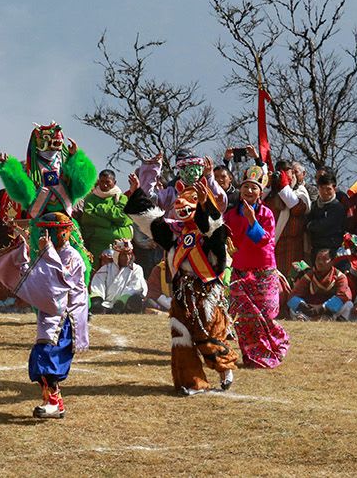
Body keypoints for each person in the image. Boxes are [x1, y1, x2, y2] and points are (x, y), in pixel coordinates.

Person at [125, 176, 236, 394]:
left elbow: (215, 237)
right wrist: (137, 193)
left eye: (192, 201)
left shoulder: (213, 232)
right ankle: (191, 382)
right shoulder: (175, 232)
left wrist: (206, 207)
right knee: (181, 337)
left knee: (208, 334)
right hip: (182, 292)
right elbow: (152, 222)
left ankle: (224, 369)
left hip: (206, 292)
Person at [13, 213, 90, 418]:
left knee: (46, 357)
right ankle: (54, 402)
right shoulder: (48, 253)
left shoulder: (72, 256)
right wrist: (23, 253)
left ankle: (54, 403)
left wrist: (46, 252)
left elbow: (61, 282)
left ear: (64, 232)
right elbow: (36, 277)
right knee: (39, 360)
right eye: (45, 231)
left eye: (52, 231)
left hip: (67, 318)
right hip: (51, 316)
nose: (47, 236)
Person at [0, 123, 96, 284]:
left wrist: (76, 158)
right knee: (41, 268)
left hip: (67, 225)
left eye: (56, 143)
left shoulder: (65, 168)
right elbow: (22, 193)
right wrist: (9, 169)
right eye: (46, 142)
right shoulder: (30, 170)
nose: (51, 147)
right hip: (42, 226)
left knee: (78, 263)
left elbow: (81, 186)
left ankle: (78, 305)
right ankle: (44, 306)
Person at [225, 165, 290, 369]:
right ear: (240, 189)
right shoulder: (231, 215)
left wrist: (252, 219)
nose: (249, 191)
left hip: (263, 271)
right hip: (240, 270)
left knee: (265, 315)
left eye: (254, 188)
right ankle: (252, 355)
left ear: (260, 192)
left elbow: (263, 240)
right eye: (246, 187)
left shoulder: (267, 213)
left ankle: (275, 345)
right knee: (245, 316)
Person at [78, 169, 133, 262]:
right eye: (102, 182)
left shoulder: (122, 198)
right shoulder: (91, 198)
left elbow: (123, 217)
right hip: (97, 245)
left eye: (108, 182)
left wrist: (101, 208)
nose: (104, 185)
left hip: (119, 247)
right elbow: (88, 217)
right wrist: (109, 223)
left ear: (114, 182)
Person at [288, 249, 354, 321]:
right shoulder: (309, 275)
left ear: (332, 261)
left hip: (329, 311)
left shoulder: (340, 277)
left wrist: (323, 308)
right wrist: (304, 307)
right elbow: (294, 295)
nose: (320, 262)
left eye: (325, 259)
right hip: (311, 309)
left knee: (349, 305)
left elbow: (342, 296)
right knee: (293, 307)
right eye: (318, 259)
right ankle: (304, 318)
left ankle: (334, 319)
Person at [88, 238, 146, 314]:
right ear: (116, 256)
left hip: (124, 305)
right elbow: (98, 285)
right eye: (124, 255)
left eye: (129, 254)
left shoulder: (136, 269)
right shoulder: (106, 268)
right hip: (106, 304)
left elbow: (134, 288)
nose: (127, 258)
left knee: (136, 299)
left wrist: (120, 303)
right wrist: (97, 302)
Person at [306, 173, 346, 257]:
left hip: (332, 250)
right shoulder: (314, 205)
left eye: (328, 189)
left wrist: (311, 225)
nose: (325, 192)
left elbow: (323, 226)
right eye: (322, 188)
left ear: (334, 189)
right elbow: (306, 222)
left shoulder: (337, 207)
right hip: (315, 248)